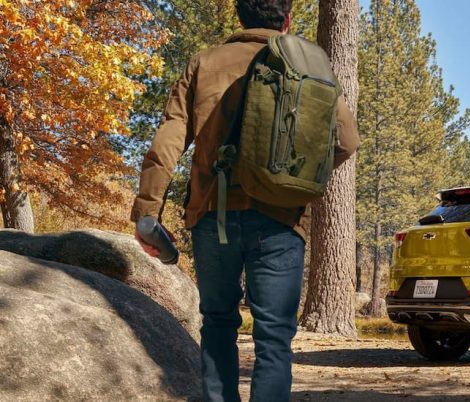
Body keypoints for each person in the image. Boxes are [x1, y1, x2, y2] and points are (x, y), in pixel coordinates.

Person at [130, 1, 359, 400]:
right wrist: (300, 180)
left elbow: (169, 140)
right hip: (280, 217)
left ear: (240, 17)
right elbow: (347, 141)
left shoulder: (204, 63)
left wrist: (148, 212)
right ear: (286, 19)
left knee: (217, 322)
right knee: (274, 336)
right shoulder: (307, 66)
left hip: (211, 213)